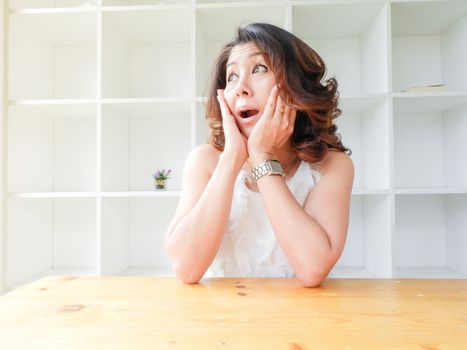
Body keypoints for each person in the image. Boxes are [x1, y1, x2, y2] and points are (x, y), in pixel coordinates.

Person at [165, 22, 354, 287]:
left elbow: (313, 270)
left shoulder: (332, 166)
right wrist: (231, 159)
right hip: (219, 319)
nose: (240, 88)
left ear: (295, 86)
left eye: (259, 69)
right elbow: (186, 268)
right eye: (231, 77)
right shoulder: (204, 161)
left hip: (304, 320)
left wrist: (262, 156)